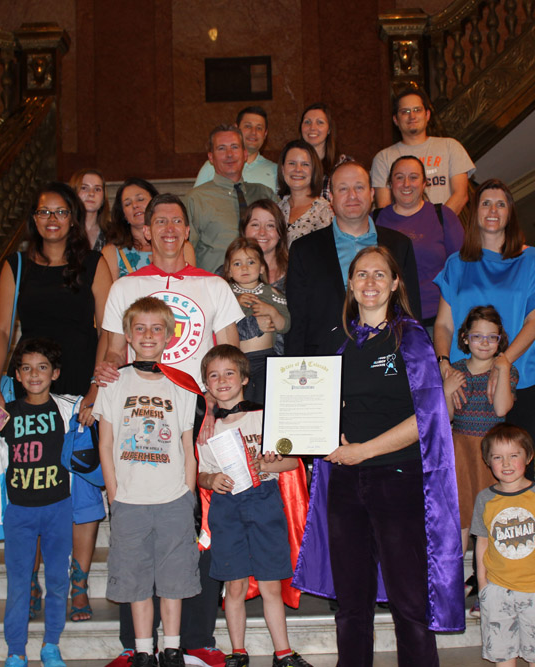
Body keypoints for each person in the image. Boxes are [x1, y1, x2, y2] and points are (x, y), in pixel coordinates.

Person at [293, 246, 465, 667]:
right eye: (361, 274)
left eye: (379, 274)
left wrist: (363, 451)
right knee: (351, 604)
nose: (369, 282)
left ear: (394, 283)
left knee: (409, 600)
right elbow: (324, 411)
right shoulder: (340, 346)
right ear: (350, 284)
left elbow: (427, 417)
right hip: (346, 483)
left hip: (398, 478)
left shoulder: (412, 339)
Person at [96, 193, 242, 667]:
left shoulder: (214, 286)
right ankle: (136, 646)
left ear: (187, 230)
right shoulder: (125, 286)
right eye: (159, 221)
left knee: (194, 529)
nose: (169, 229)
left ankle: (193, 639)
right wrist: (101, 383)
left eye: (177, 221)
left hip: (198, 412)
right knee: (136, 536)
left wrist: (225, 414)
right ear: (145, 229)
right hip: (140, 413)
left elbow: (230, 355)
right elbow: (112, 352)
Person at [0, 181, 111, 623]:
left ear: (73, 218)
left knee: (83, 489)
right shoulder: (16, 265)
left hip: (80, 392)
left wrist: (97, 388)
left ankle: (77, 581)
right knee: (32, 486)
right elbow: (1, 331)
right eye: (42, 212)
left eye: (60, 211)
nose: (51, 219)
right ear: (34, 219)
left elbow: (110, 330)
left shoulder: (93, 262)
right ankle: (34, 578)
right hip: (31, 391)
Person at [0, 338, 82, 667]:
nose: (34, 374)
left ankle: (51, 645)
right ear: (17, 376)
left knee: (58, 580)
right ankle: (16, 651)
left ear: (55, 373)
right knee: (20, 581)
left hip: (59, 508)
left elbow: (98, 427)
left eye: (42, 368)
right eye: (26, 368)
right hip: (19, 511)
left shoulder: (69, 410)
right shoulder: (3, 416)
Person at [94, 297, 202, 667]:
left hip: (173, 496)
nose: (148, 335)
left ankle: (171, 647)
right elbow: (105, 442)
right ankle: (143, 649)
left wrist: (188, 494)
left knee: (174, 576)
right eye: (139, 328)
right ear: (127, 335)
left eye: (157, 328)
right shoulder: (113, 382)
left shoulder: (183, 385)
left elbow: (188, 443)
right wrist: (114, 493)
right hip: (129, 498)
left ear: (170, 336)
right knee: (135, 577)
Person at [196, 345, 312, 667]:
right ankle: (238, 652)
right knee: (233, 585)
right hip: (227, 508)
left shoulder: (266, 417)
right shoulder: (206, 428)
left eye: (229, 373)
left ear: (245, 378)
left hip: (264, 504)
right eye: (214, 375)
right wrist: (210, 480)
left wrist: (267, 465)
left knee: (270, 584)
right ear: (206, 384)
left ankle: (283, 653)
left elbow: (291, 462)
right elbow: (200, 474)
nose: (222, 380)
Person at [433, 178, 535, 449]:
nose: (493, 211)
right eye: (485, 204)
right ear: (475, 212)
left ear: (510, 213)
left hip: (518, 377)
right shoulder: (456, 262)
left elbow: (533, 323)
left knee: (516, 470)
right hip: (466, 384)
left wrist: (503, 362)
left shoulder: (530, 258)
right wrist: (443, 364)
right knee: (468, 470)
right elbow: (443, 325)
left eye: (501, 204)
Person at [285, 160, 420, 357]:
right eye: (343, 189)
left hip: (387, 359)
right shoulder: (304, 250)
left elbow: (411, 311)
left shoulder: (400, 245)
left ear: (372, 193)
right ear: (330, 197)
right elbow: (297, 320)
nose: (352, 196)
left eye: (359, 187)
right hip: (325, 361)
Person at [472, 423, 535, 667]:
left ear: (528, 457)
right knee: (502, 655)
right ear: (487, 461)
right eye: (497, 457)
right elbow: (482, 541)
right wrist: (483, 583)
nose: (506, 464)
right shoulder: (485, 499)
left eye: (513, 456)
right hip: (497, 590)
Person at [445, 305, 517, 561]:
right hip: (461, 449)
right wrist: (446, 389)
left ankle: (488, 579)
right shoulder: (456, 370)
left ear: (500, 340)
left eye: (492, 337)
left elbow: (500, 409)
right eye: (477, 336)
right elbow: (447, 417)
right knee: (462, 514)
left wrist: (504, 367)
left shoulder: (506, 371)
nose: (484, 343)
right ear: (465, 338)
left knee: (491, 516)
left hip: (492, 451)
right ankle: (455, 579)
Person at [375, 155, 464, 329]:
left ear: (424, 183)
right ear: (390, 184)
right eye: (399, 177)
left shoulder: (443, 215)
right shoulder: (375, 221)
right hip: (391, 321)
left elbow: (463, 269)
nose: (406, 184)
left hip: (441, 321)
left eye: (413, 177)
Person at [184, 124, 278, 272]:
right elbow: (185, 252)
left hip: (263, 286)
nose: (229, 154)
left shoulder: (265, 194)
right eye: (221, 148)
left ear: (245, 154)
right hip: (215, 288)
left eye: (234, 147)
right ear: (211, 157)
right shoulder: (195, 199)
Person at [371, 88, 475, 216]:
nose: (412, 116)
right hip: (402, 233)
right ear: (396, 120)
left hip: (444, 230)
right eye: (405, 111)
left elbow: (461, 195)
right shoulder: (383, 158)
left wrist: (434, 225)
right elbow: (384, 206)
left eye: (417, 110)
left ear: (427, 115)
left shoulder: (450, 147)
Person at [222, 238, 289, 404]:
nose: (244, 268)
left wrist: (271, 311)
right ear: (229, 271)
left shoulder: (272, 293)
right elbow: (218, 320)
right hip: (236, 360)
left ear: (261, 267)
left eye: (251, 262)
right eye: (237, 264)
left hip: (266, 359)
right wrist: (235, 302)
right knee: (239, 403)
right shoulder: (225, 293)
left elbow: (285, 326)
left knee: (264, 403)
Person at [101, 178, 196, 280]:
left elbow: (190, 286)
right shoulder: (112, 252)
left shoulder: (182, 246)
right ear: (123, 214)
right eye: (128, 204)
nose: (135, 205)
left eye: (140, 199)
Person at [194, 107, 278, 190]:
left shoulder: (275, 171)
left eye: (259, 128)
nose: (253, 132)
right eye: (248, 126)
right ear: (236, 128)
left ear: (265, 134)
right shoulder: (211, 166)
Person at [276, 139, 333, 244]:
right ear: (283, 169)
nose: (298, 169)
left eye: (305, 164)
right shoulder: (276, 209)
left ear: (314, 170)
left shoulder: (325, 212)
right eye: (292, 163)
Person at [299, 103, 337, 198]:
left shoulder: (342, 164)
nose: (312, 128)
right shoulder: (292, 165)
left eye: (320, 122)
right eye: (307, 122)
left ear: (329, 129)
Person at [70, 168, 111, 251]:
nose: (91, 193)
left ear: (103, 198)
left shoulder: (113, 233)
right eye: (84, 188)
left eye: (97, 189)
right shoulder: (64, 231)